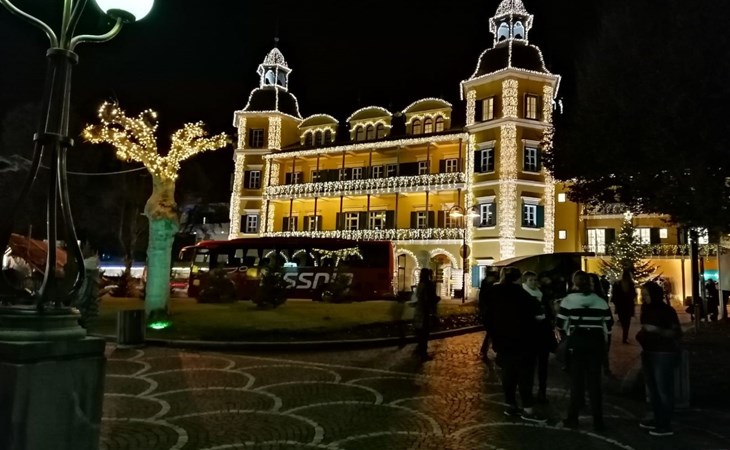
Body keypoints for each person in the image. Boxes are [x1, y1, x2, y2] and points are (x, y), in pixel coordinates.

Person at [557, 270, 614, 432]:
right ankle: (598, 421)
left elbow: (561, 324)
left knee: (576, 382)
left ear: (575, 283)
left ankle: (573, 418)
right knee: (595, 383)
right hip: (595, 344)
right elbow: (608, 323)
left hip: (577, 344)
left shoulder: (568, 301)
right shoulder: (600, 301)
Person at [490, 266, 546, 423]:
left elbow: (487, 315)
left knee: (508, 374)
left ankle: (510, 404)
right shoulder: (522, 294)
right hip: (523, 341)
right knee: (525, 375)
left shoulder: (494, 292)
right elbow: (537, 311)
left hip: (503, 341)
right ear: (519, 278)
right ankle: (527, 408)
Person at [637, 281, 682, 437]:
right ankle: (657, 418)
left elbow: (675, 333)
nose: (644, 297)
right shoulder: (646, 309)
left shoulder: (667, 311)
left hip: (663, 353)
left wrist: (656, 330)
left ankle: (665, 424)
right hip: (648, 351)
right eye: (643, 295)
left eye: (647, 294)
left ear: (655, 294)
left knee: (663, 389)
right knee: (653, 389)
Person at [522, 271, 556, 403]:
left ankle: (542, 391)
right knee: (528, 366)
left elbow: (550, 311)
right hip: (528, 335)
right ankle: (527, 393)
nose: (534, 282)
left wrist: (548, 317)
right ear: (525, 281)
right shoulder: (523, 295)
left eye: (535, 280)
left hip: (543, 334)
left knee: (543, 365)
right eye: (531, 280)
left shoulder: (542, 294)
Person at [589, 273, 612, 375]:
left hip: (600, 330)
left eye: (592, 282)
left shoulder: (601, 298)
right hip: (588, 330)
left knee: (602, 351)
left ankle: (604, 368)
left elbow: (608, 317)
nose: (591, 284)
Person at [414, 267, 437, 360]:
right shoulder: (428, 285)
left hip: (419, 311)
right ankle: (423, 353)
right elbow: (430, 299)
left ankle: (420, 349)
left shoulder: (420, 284)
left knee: (420, 333)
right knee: (425, 333)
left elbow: (417, 297)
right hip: (425, 312)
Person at [611, 268, 637, 344]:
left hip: (621, 305)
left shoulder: (617, 284)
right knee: (627, 322)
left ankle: (624, 335)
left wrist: (616, 303)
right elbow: (633, 294)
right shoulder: (631, 284)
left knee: (623, 320)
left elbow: (614, 295)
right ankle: (625, 336)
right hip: (628, 305)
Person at [478, 271, 499, 361]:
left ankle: (484, 350)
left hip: (488, 313)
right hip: (489, 313)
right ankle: (486, 351)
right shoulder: (489, 286)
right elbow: (485, 299)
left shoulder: (486, 285)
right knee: (491, 333)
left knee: (490, 333)